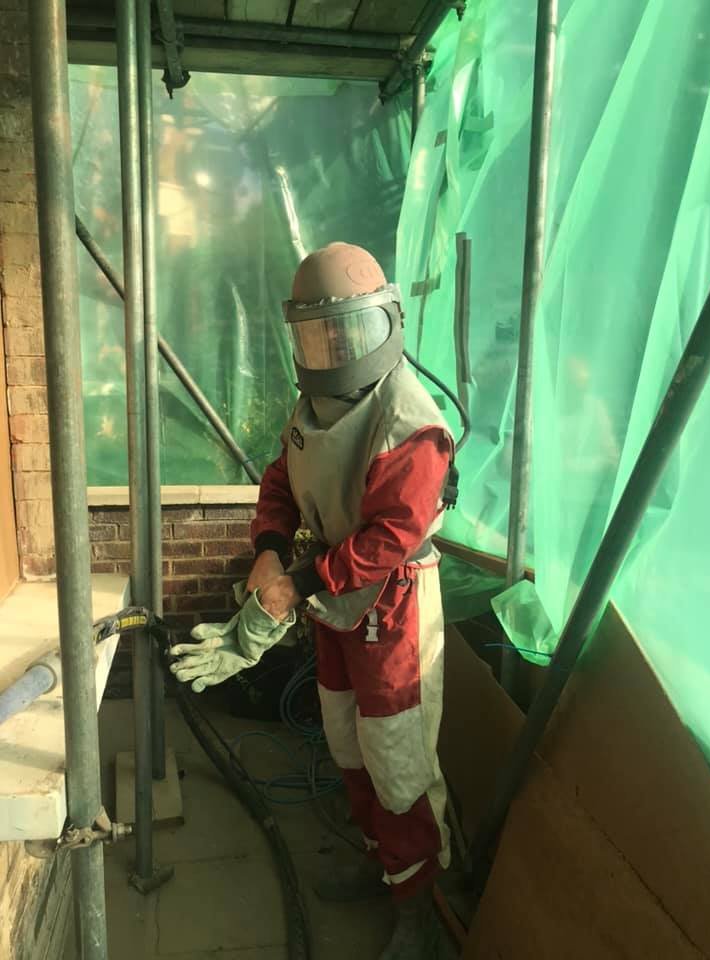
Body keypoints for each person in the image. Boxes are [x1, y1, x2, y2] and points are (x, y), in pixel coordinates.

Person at [171, 242, 455, 959]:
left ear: (384, 321)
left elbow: (393, 535)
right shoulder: (315, 405)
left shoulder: (410, 423)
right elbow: (281, 478)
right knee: (347, 745)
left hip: (391, 611)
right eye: (316, 336)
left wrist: (296, 582)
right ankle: (382, 867)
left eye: (348, 333)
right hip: (335, 605)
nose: (333, 350)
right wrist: (270, 546)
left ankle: (417, 911)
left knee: (397, 763)